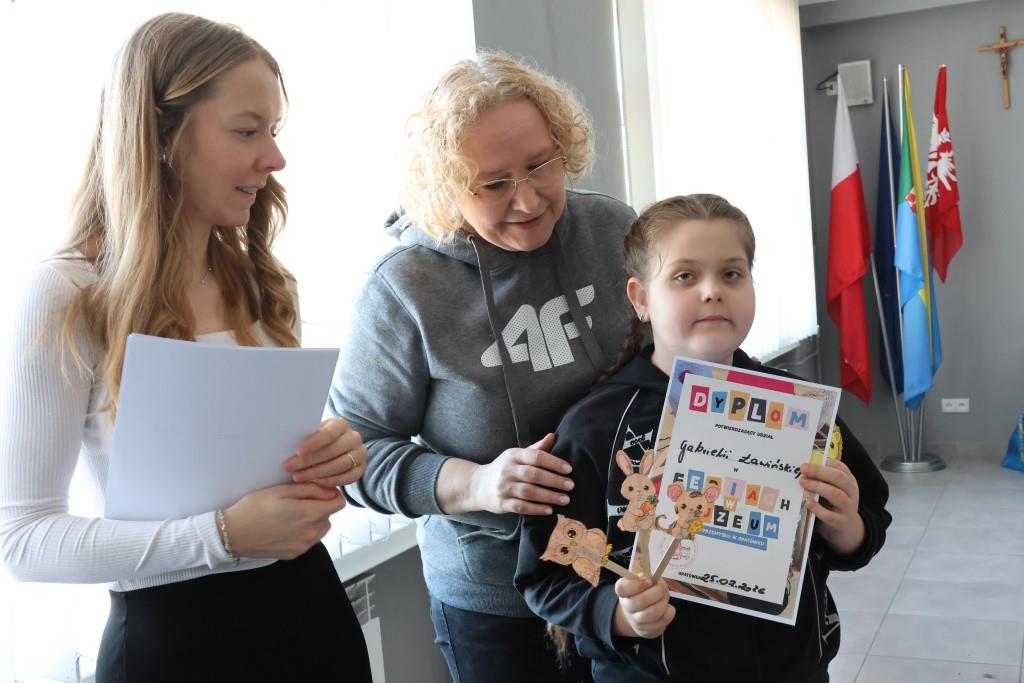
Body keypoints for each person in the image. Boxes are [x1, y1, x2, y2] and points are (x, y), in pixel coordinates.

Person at [0, 13, 371, 682]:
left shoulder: (260, 281)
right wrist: (221, 536)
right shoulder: (67, 293)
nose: (275, 159)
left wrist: (331, 450)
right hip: (172, 647)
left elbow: (251, 466)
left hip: (310, 614)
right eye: (247, 131)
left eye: (274, 131)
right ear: (161, 135)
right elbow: (24, 540)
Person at [329, 52, 636, 682]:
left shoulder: (612, 228)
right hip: (497, 602)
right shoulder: (403, 287)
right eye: (493, 184)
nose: (527, 199)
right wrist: (478, 484)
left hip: (628, 575)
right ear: (446, 186)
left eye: (540, 165)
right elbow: (356, 454)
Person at [515, 194, 892, 682]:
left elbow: (869, 518)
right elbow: (545, 574)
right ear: (641, 299)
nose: (712, 291)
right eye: (684, 276)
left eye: (732, 274)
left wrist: (847, 530)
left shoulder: (803, 414)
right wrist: (617, 615)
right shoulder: (595, 426)